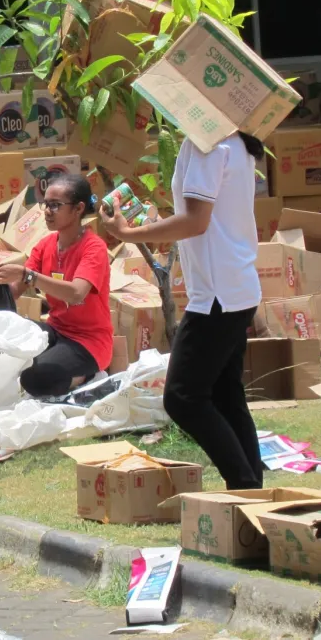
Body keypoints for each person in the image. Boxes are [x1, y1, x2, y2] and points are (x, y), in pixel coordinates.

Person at [100, 133, 264, 491]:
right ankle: (253, 492)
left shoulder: (207, 145)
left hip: (217, 295)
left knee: (183, 398)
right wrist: (150, 224)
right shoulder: (235, 142)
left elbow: (195, 221)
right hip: (235, 286)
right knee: (225, 395)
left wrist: (128, 233)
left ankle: (245, 486)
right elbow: (203, 219)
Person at [0, 174, 112, 399]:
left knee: (34, 378)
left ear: (78, 209)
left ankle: (87, 375)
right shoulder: (45, 245)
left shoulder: (94, 247)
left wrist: (27, 275)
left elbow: (76, 293)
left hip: (88, 342)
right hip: (55, 330)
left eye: (55, 205)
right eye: (45, 204)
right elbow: (15, 291)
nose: (47, 212)